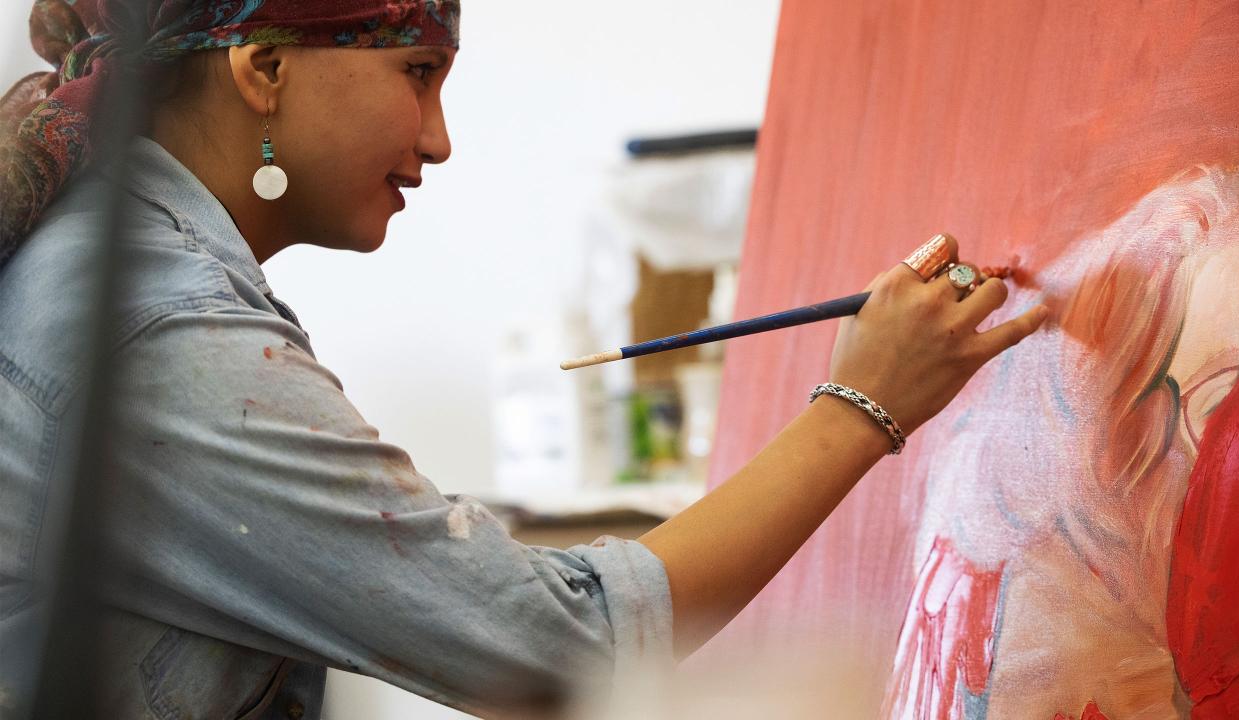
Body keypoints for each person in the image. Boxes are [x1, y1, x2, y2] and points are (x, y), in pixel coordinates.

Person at [0, 2, 1048, 717]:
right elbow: (558, 649)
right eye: (418, 74)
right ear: (262, 67)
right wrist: (858, 407)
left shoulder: (124, 271)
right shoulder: (156, 329)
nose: (440, 137)